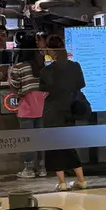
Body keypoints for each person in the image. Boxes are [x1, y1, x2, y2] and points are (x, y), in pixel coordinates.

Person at [40, 35, 87, 192]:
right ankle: (81, 179)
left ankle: (62, 182)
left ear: (50, 50)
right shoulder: (75, 66)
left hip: (53, 111)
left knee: (54, 146)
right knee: (69, 144)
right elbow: (80, 85)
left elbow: (44, 91)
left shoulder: (47, 71)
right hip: (70, 110)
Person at [9, 33, 47, 179]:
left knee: (27, 138)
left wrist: (10, 76)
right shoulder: (41, 64)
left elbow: (15, 85)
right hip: (41, 105)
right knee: (40, 137)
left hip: (27, 106)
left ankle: (29, 169)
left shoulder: (19, 67)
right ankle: (42, 168)